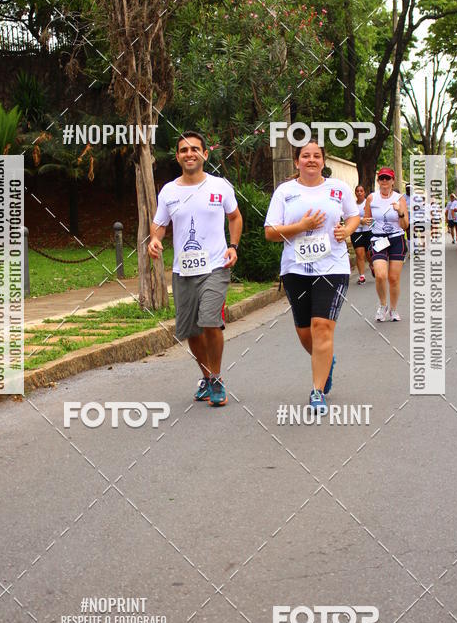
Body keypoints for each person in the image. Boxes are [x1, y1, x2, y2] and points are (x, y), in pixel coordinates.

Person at [264, 141, 359, 414]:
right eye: (305, 156)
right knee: (305, 332)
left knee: (322, 327)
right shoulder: (285, 192)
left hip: (333, 266)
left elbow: (353, 216)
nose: (311, 160)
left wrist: (347, 231)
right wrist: (301, 226)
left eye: (317, 156)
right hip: (295, 268)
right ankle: (326, 359)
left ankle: (317, 390)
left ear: (323, 161)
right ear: (297, 162)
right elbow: (270, 232)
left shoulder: (337, 188)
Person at [149, 131, 243, 407]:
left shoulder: (220, 186)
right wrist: (155, 239)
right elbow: (160, 225)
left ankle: (216, 378)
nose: (189, 154)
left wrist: (233, 246)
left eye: (195, 149)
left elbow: (235, 217)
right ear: (177, 157)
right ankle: (207, 376)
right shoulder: (169, 191)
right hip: (183, 270)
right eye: (183, 150)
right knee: (190, 330)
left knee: (210, 320)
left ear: (205, 154)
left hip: (215, 265)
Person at [364, 167, 409, 321]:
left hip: (396, 238)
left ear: (392, 181)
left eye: (387, 178)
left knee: (393, 278)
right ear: (378, 181)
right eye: (382, 178)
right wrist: (372, 226)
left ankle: (394, 309)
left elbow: (405, 225)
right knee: (380, 275)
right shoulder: (371, 198)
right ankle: (383, 305)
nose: (384, 181)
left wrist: (400, 212)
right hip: (378, 239)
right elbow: (366, 220)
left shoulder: (399, 198)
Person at [350, 185, 373, 284]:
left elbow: (374, 216)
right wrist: (360, 221)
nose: (359, 192)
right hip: (356, 232)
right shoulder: (352, 205)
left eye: (361, 191)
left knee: (369, 254)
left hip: (368, 231)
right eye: (357, 191)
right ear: (355, 193)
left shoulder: (368, 203)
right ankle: (362, 276)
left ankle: (372, 266)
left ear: (364, 193)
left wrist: (367, 221)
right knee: (359, 254)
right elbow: (350, 217)